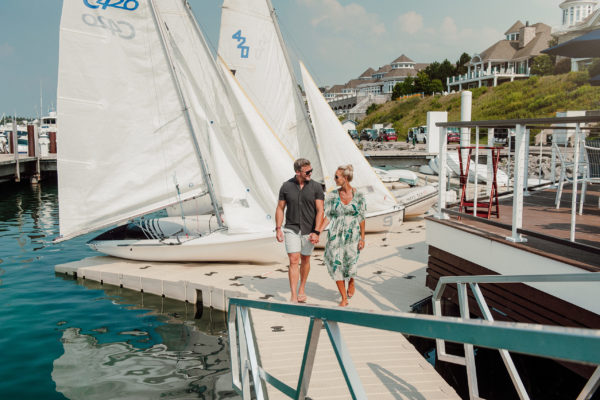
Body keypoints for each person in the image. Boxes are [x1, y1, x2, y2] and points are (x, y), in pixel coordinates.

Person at [275, 158, 324, 303]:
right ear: (297, 172)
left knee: (305, 258)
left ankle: (302, 287)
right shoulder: (286, 186)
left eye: (311, 171)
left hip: (310, 229)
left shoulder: (316, 187)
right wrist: (278, 228)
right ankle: (294, 295)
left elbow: (320, 210)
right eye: (307, 171)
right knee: (293, 260)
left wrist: (317, 231)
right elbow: (280, 208)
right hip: (291, 228)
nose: (310, 173)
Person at [317, 164, 366, 307]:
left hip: (353, 235)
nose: (334, 179)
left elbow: (362, 218)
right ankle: (343, 297)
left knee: (350, 264)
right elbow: (328, 216)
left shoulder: (359, 195)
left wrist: (362, 238)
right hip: (336, 235)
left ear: (345, 178)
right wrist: (318, 231)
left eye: (336, 177)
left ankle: (351, 280)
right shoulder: (332, 195)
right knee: (336, 263)